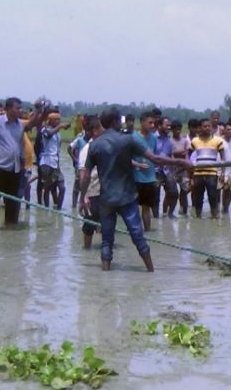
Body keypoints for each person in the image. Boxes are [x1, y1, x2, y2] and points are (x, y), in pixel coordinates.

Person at [78, 107, 190, 271]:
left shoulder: (95, 145)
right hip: (127, 197)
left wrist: (82, 197)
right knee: (138, 237)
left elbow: (86, 176)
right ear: (116, 122)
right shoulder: (128, 140)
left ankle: (104, 276)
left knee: (106, 241)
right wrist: (181, 163)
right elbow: (156, 159)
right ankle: (151, 271)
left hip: (106, 199)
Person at [0, 97, 44, 229]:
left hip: (16, 169)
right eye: (17, 108)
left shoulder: (20, 124)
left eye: (20, 107)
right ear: (8, 109)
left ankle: (10, 227)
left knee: (13, 201)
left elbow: (32, 124)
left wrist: (39, 110)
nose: (20, 110)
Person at [189, 118, 224, 218]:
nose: (207, 128)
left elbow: (223, 159)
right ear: (200, 128)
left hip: (212, 174)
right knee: (198, 197)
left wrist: (222, 173)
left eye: (209, 126)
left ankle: (214, 217)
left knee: (213, 196)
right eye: (205, 126)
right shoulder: (195, 141)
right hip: (198, 174)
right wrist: (190, 176)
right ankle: (198, 217)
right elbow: (190, 159)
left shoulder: (218, 141)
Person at [78, 116, 103, 249]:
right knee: (89, 225)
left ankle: (105, 250)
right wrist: (84, 196)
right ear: (95, 131)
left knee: (106, 224)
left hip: (104, 192)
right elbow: (83, 174)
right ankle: (86, 251)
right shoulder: (86, 150)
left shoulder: (105, 146)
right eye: (101, 128)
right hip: (92, 192)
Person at [38, 110, 71, 209]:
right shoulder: (44, 130)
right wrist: (60, 126)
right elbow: (48, 134)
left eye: (59, 120)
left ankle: (58, 209)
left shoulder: (58, 134)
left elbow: (57, 149)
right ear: (50, 121)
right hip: (47, 163)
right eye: (55, 120)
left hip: (56, 163)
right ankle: (47, 209)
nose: (58, 121)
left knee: (62, 188)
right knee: (47, 188)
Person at [131, 112, 158, 231]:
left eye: (153, 123)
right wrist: (137, 164)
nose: (152, 125)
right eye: (150, 122)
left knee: (147, 208)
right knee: (133, 208)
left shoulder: (154, 138)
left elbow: (155, 157)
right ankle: (135, 232)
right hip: (136, 178)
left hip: (150, 179)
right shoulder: (133, 137)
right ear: (142, 122)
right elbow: (125, 158)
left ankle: (148, 233)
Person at [154, 116, 179, 218]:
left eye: (170, 125)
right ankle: (155, 217)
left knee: (174, 192)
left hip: (167, 170)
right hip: (155, 171)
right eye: (166, 125)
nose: (169, 127)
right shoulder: (152, 138)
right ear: (159, 126)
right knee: (155, 196)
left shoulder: (169, 140)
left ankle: (170, 214)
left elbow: (170, 154)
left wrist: (174, 167)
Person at [169, 119, 192, 216]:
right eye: (175, 129)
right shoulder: (170, 141)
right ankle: (169, 212)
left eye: (179, 129)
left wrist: (186, 166)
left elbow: (187, 153)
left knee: (184, 191)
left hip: (184, 170)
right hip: (173, 170)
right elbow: (170, 155)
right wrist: (178, 153)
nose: (178, 131)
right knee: (172, 192)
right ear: (172, 130)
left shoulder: (185, 140)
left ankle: (184, 212)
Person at [219, 121, 231, 213]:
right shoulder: (219, 141)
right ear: (224, 130)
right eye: (228, 129)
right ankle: (217, 210)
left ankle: (225, 210)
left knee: (228, 191)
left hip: (230, 171)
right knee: (218, 191)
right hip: (220, 170)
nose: (230, 131)